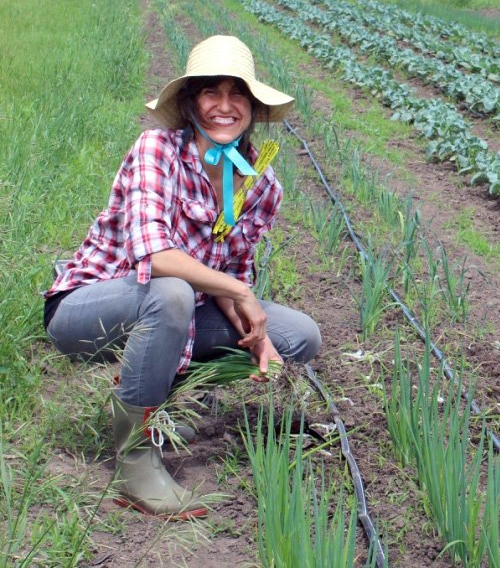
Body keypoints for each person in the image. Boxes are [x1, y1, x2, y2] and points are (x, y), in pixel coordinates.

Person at [43, 35, 321, 520]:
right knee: (172, 292)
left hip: (175, 312)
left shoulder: (259, 183)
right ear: (192, 103)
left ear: (254, 108)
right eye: (211, 93)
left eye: (238, 95)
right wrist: (240, 290)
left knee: (298, 335)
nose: (225, 106)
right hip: (88, 308)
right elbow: (154, 255)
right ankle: (134, 456)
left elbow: (227, 275)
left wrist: (257, 339)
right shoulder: (158, 149)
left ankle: (159, 394)